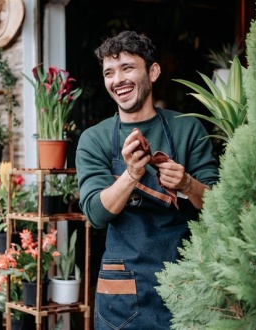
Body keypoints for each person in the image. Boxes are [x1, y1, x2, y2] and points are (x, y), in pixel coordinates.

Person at [75, 30, 219, 330]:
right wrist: (131, 175)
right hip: (123, 291)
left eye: (127, 68)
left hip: (186, 282)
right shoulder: (94, 139)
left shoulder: (187, 129)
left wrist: (187, 185)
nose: (118, 80)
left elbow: (219, 206)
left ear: (152, 72)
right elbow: (96, 215)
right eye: (109, 73)